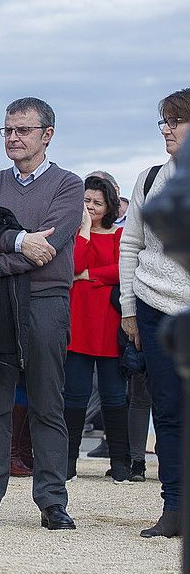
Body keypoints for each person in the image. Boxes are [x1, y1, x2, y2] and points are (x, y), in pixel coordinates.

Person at [0, 97, 83, 532]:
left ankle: (52, 502)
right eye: (7, 129)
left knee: (48, 403)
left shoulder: (69, 185)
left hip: (47, 301)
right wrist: (16, 242)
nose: (13, 137)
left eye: (23, 130)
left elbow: (49, 249)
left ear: (47, 135)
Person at [120, 89, 190, 538]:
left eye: (174, 121)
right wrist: (128, 308)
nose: (165, 129)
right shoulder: (148, 180)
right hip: (154, 307)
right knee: (167, 411)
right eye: (162, 122)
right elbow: (131, 244)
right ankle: (175, 508)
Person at [62, 175, 128, 482]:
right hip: (78, 324)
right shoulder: (76, 233)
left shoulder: (119, 234)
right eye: (86, 201)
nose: (90, 207)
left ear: (109, 205)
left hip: (109, 324)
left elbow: (123, 269)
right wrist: (86, 229)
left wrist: (92, 274)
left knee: (114, 397)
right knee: (74, 396)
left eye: (97, 203)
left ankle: (122, 464)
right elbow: (73, 265)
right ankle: (68, 463)